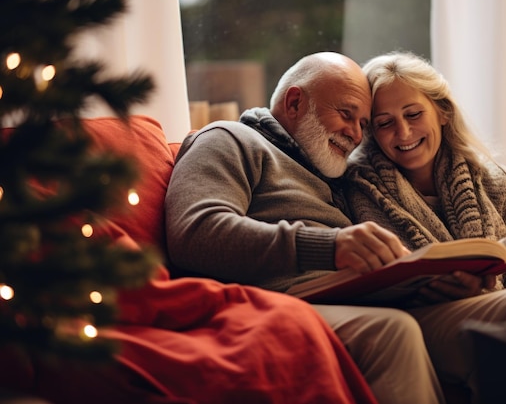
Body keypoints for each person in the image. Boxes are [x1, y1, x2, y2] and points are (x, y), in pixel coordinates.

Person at [166, 51, 447, 404]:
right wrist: (330, 245)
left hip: (352, 301)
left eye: (363, 123)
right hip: (272, 307)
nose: (356, 135)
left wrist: (435, 283)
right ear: (295, 102)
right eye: (346, 114)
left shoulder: (336, 175)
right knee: (392, 331)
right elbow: (194, 232)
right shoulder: (231, 139)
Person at [343, 50, 506, 400]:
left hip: (489, 307)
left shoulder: (499, 183)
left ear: (443, 112)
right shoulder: (355, 189)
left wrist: (480, 293)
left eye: (414, 114)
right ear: (372, 132)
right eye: (384, 122)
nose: (402, 132)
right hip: (416, 324)